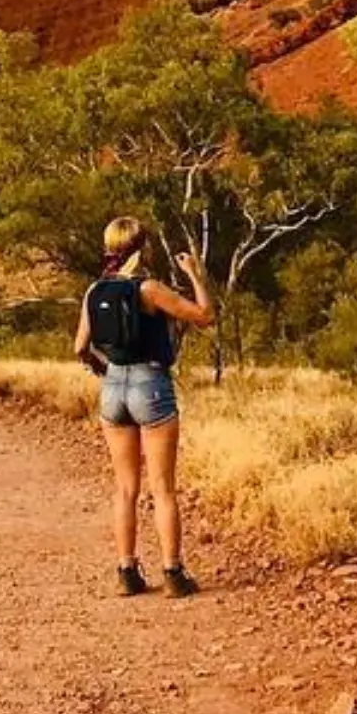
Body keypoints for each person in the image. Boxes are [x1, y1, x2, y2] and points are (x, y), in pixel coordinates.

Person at [73, 215, 216, 598]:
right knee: (163, 488)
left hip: (113, 388)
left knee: (125, 488)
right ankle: (173, 573)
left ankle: (127, 571)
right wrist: (197, 275)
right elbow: (206, 316)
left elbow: (79, 347)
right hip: (150, 385)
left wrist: (103, 370)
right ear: (142, 247)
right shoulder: (148, 289)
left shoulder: (94, 290)